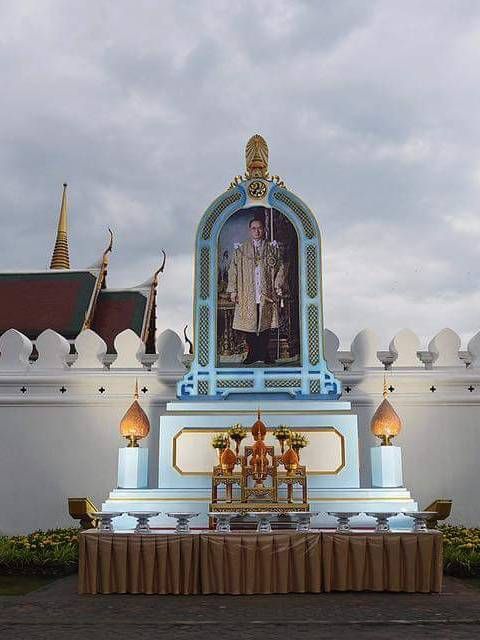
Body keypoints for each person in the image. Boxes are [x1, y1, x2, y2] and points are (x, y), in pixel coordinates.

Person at [227, 216, 285, 365]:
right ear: (250, 230)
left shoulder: (272, 248)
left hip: (267, 293)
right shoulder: (241, 250)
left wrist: (278, 285)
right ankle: (252, 354)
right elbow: (233, 270)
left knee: (266, 323)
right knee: (250, 325)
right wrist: (233, 291)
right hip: (247, 293)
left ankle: (264, 354)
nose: (257, 231)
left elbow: (280, 268)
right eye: (254, 228)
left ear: (264, 229)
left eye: (259, 228)